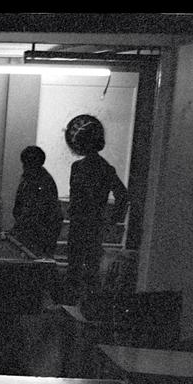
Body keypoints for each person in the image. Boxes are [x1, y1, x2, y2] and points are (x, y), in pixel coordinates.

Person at [64, 115, 130, 305]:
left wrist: (111, 221)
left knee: (76, 267)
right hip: (93, 224)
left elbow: (122, 196)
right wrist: (112, 221)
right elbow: (123, 196)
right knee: (89, 268)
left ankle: (74, 306)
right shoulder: (105, 168)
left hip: (82, 223)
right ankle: (88, 306)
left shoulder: (78, 167)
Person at [11, 145, 63, 258]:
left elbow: (36, 212)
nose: (24, 167)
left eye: (26, 164)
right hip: (33, 231)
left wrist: (19, 228)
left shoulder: (43, 182)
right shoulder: (29, 178)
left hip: (41, 234)